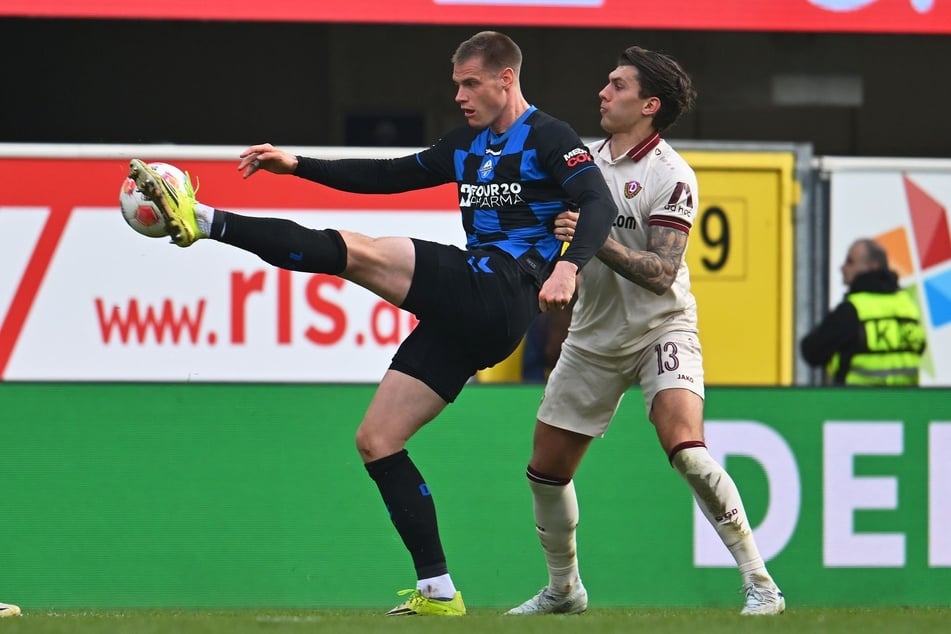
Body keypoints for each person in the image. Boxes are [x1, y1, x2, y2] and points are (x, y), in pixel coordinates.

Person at [127, 31, 616, 617]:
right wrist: (297, 164)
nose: (459, 95)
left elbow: (599, 203)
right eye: (456, 84)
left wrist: (567, 270)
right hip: (476, 315)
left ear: (506, 78)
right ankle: (438, 591)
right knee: (378, 440)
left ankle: (203, 220)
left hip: (503, 287)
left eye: (470, 83)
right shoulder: (464, 144)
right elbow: (384, 176)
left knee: (357, 252)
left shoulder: (548, 137)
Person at [505, 46, 785, 617]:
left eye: (616, 85)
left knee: (686, 448)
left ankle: (761, 583)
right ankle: (564, 590)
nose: (602, 93)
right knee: (545, 471)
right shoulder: (580, 160)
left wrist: (596, 236)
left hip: (662, 328)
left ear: (648, 105)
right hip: (592, 336)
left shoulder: (671, 176)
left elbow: (661, 274)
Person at [801, 238, 926, 385]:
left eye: (850, 261)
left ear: (873, 267)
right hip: (905, 404)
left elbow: (812, 350)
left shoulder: (852, 311)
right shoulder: (907, 305)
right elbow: (920, 348)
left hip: (858, 404)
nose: (842, 267)